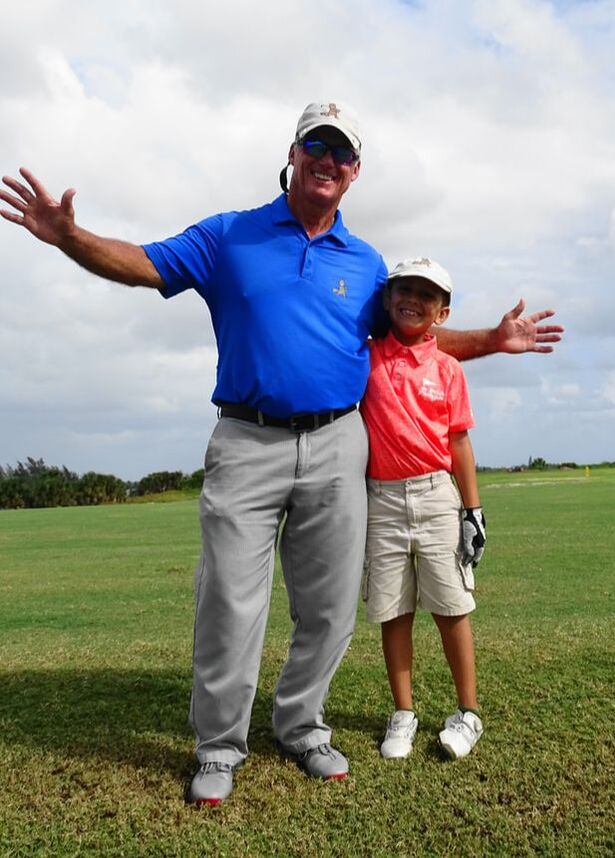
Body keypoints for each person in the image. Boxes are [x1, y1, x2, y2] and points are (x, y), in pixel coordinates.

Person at [0, 101, 563, 805]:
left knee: (329, 608)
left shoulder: (365, 264)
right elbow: (144, 264)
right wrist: (69, 237)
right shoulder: (230, 236)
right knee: (232, 603)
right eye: (315, 147)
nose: (328, 161)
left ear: (354, 173)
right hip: (246, 439)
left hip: (338, 443)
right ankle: (219, 745)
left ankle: (301, 726)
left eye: (342, 153)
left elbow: (409, 338)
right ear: (293, 154)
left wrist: (490, 340)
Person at [360, 257, 486, 762]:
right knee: (394, 609)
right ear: (388, 299)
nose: (413, 299)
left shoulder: (449, 370)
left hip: (436, 496)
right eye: (403, 290)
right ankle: (404, 713)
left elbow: (459, 444)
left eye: (427, 295)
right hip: (383, 500)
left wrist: (472, 512)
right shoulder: (367, 357)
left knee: (451, 607)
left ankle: (468, 712)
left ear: (442, 311)